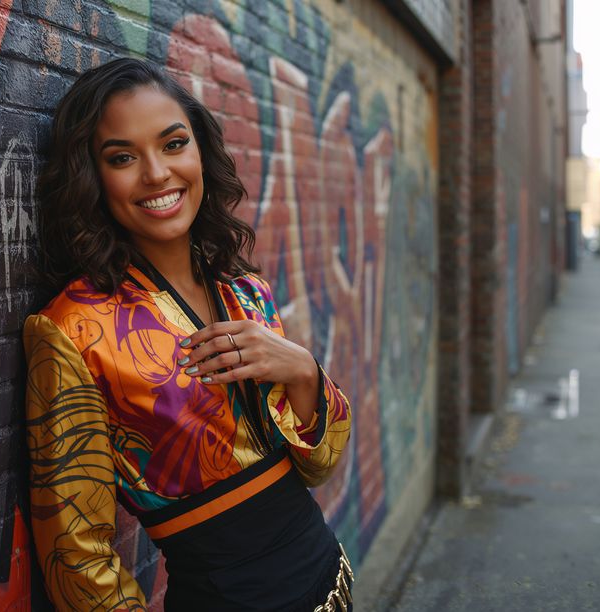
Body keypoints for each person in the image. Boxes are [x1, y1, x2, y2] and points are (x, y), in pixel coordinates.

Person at [23, 58, 353, 612]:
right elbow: (76, 556)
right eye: (123, 157)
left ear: (200, 150)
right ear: (91, 175)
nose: (156, 174)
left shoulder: (243, 289)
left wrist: (301, 369)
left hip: (331, 581)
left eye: (173, 144)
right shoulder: (72, 329)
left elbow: (319, 465)